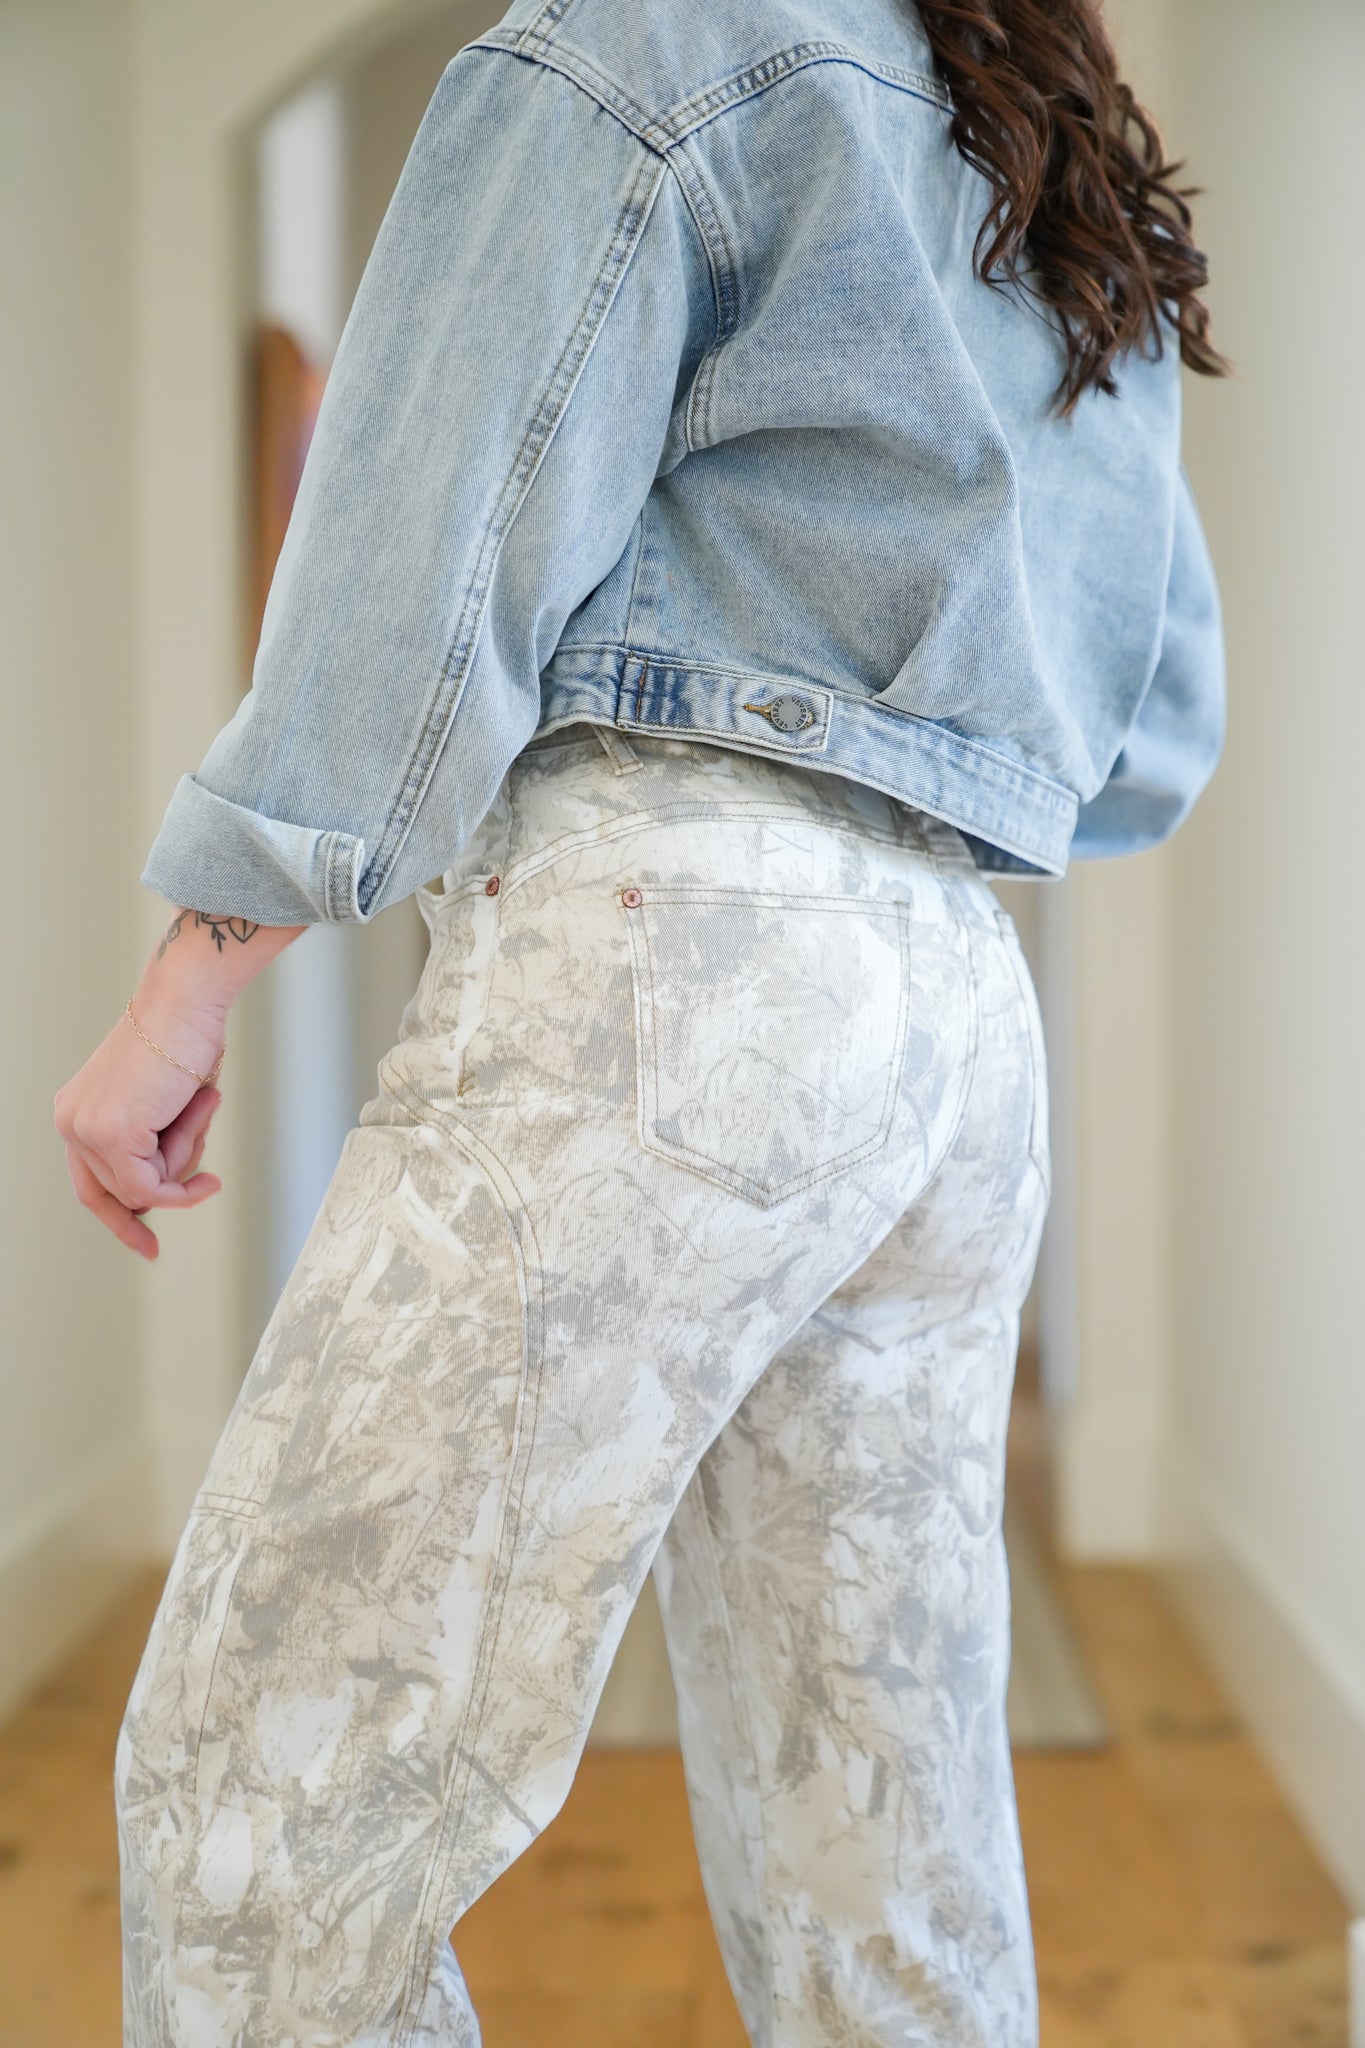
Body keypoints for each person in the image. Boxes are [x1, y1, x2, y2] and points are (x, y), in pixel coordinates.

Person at [54, 0, 1226, 2040]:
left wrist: (196, 966)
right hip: (953, 1006)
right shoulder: (1043, 138)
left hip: (670, 959)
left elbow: (427, 551)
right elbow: (1153, 731)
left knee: (268, 1798)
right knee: (880, 1852)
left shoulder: (634, 34)